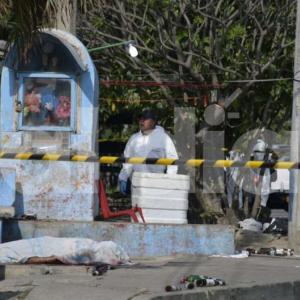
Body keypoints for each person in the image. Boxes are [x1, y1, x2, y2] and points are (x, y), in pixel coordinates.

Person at [118, 109, 178, 195]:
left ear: (153, 122)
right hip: (138, 182)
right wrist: (123, 177)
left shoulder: (164, 138)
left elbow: (172, 160)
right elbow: (127, 161)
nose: (141, 121)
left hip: (157, 182)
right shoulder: (134, 139)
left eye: (145, 119)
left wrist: (170, 179)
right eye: (140, 119)